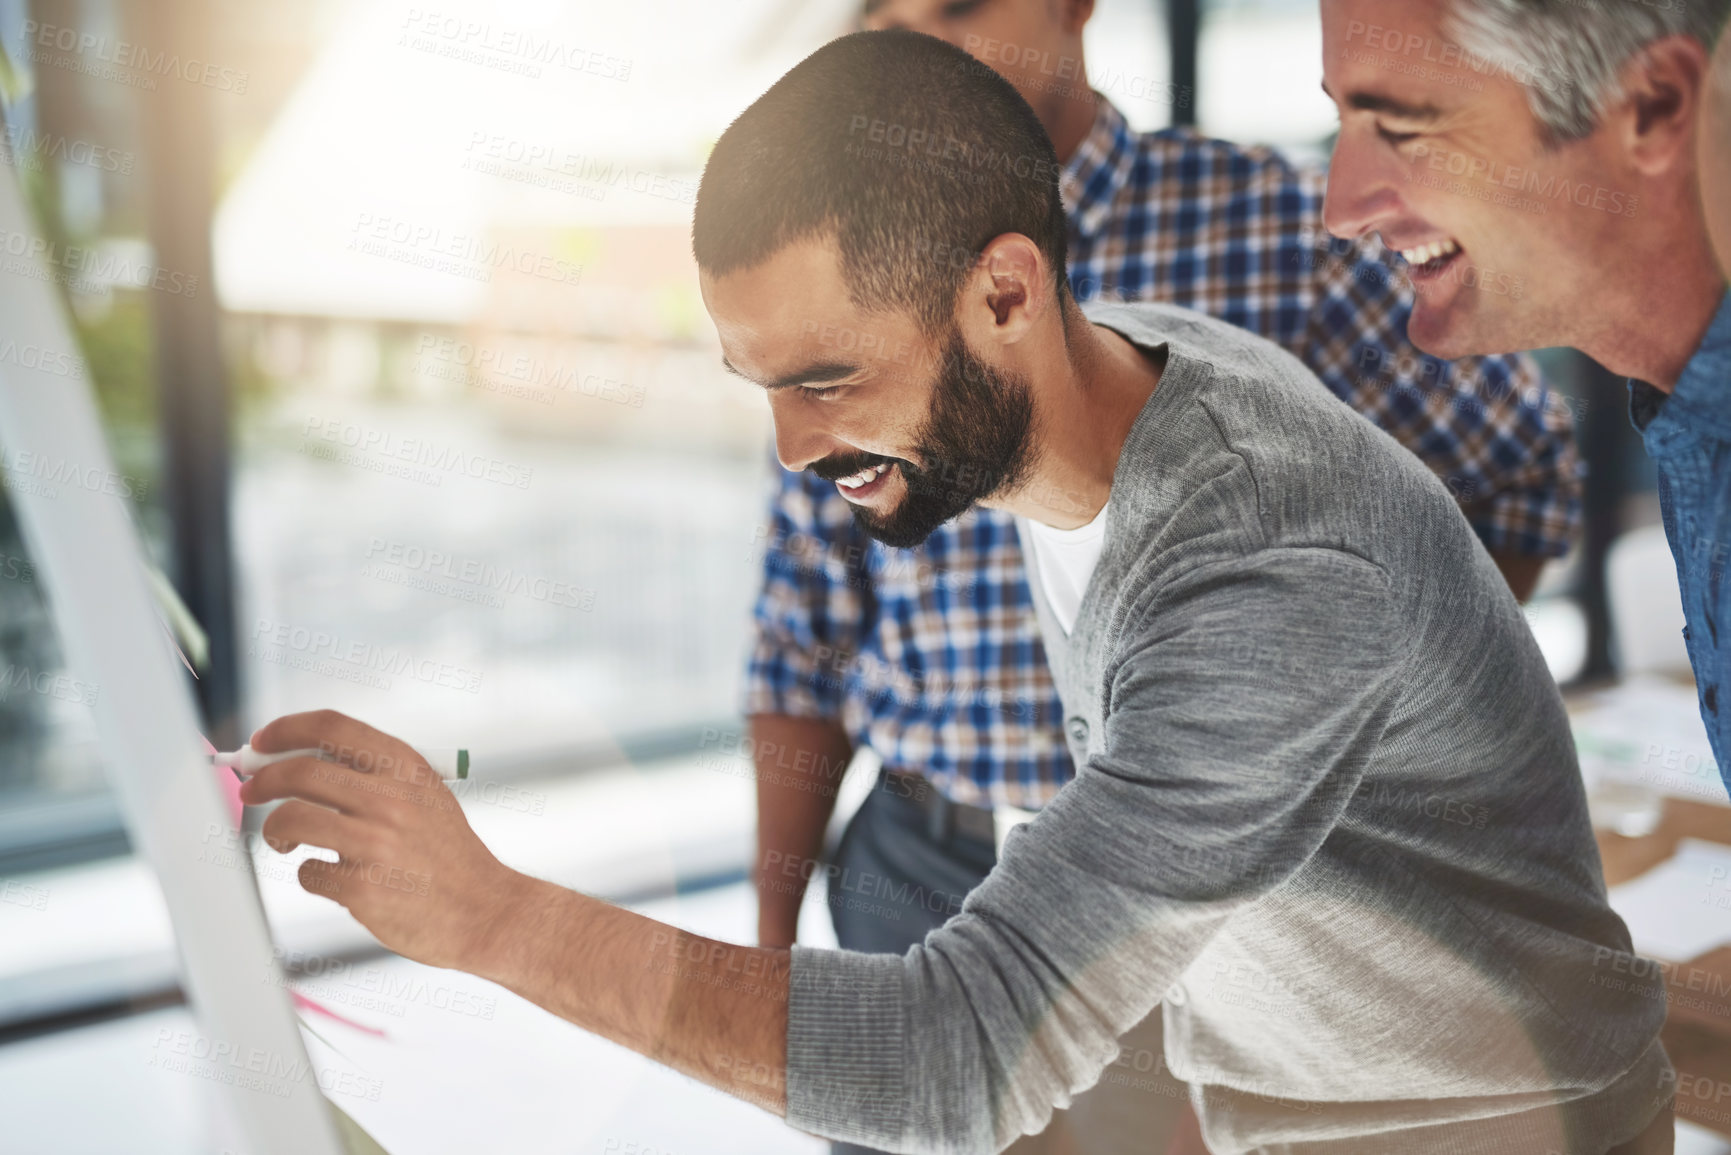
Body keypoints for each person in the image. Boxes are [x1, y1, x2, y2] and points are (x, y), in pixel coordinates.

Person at [246, 30, 1672, 1155]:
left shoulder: (1258, 563)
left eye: (827, 379)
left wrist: (488, 914)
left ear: (1004, 291)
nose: (797, 449)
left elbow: (964, 1054)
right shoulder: (1137, 369)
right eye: (765, 388)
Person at [1317, 0, 1730, 797]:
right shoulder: (1683, 402)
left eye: (1400, 129)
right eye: (1340, 118)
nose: (1340, 209)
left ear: (1652, 106)